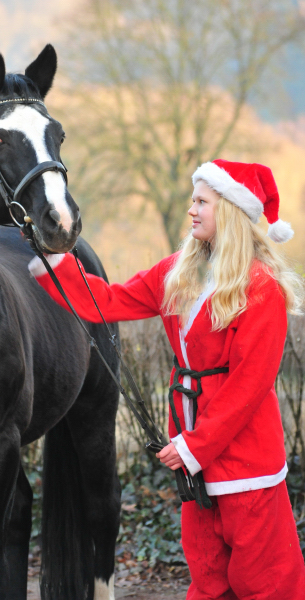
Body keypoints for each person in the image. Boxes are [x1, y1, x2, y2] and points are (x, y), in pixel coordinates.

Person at [28, 159, 305, 599]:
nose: (191, 210)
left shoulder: (261, 288)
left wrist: (195, 445)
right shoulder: (178, 273)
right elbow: (110, 301)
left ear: (231, 211)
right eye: (192, 201)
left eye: (202, 202)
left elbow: (249, 387)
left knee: (264, 580)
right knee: (207, 574)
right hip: (193, 455)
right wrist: (54, 261)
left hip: (245, 461)